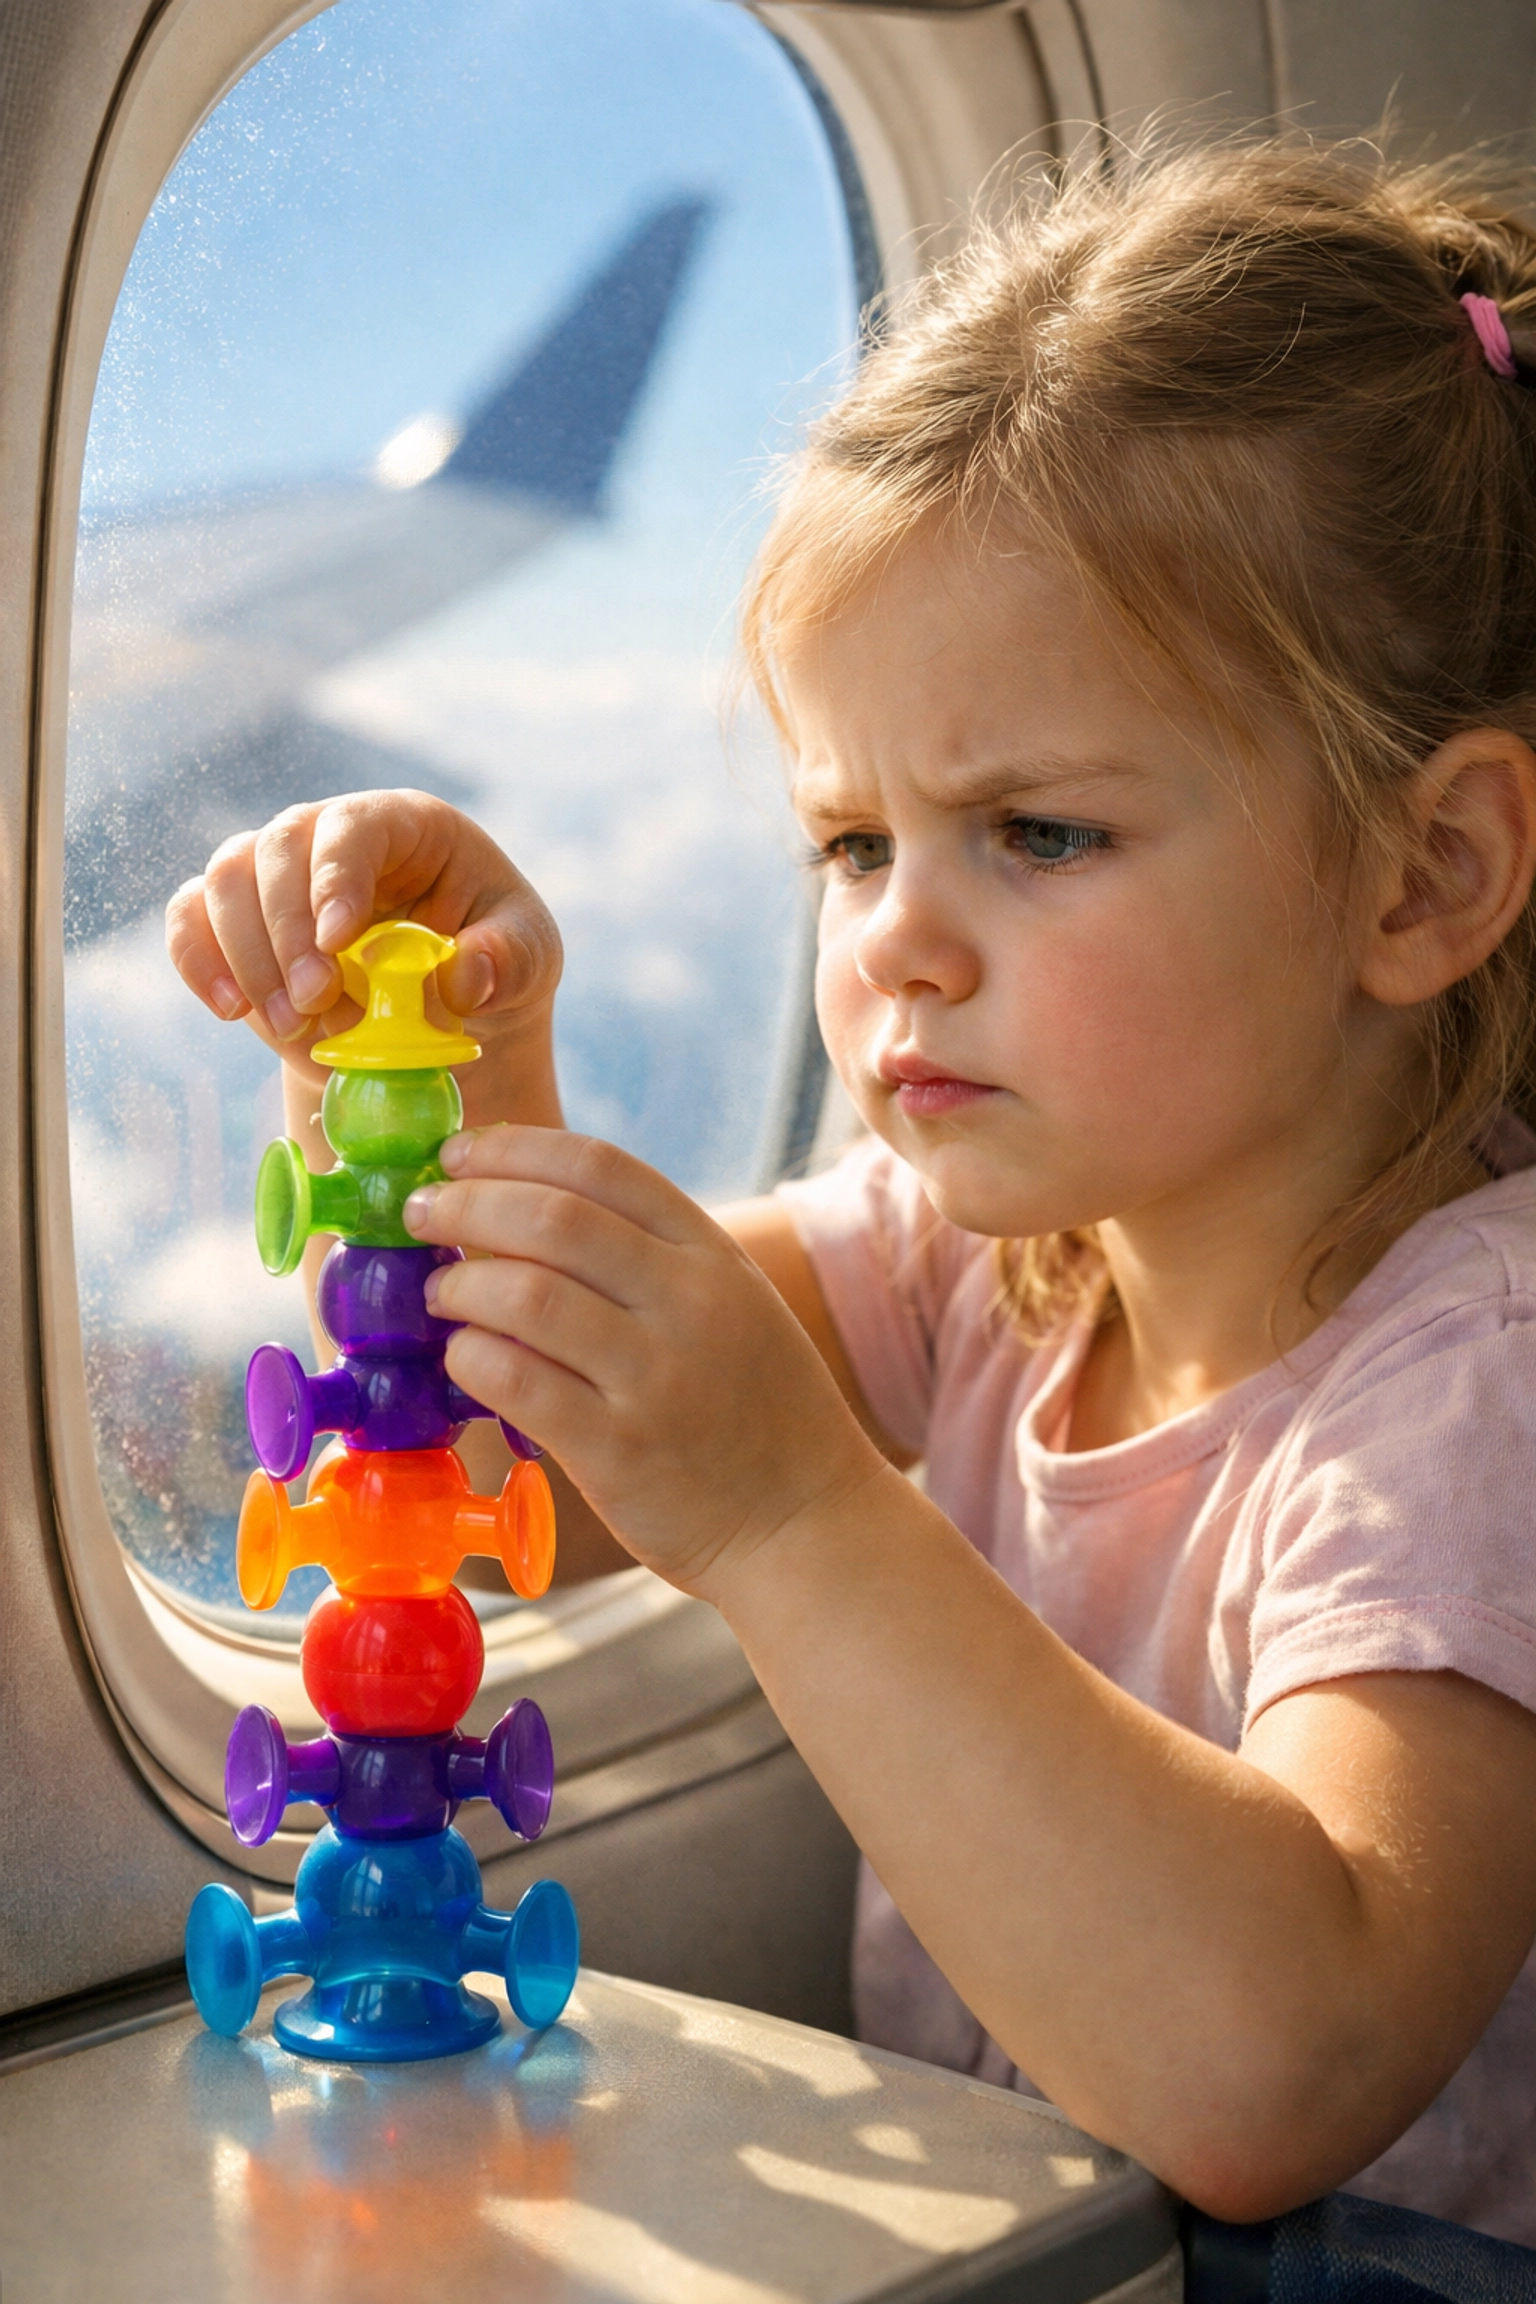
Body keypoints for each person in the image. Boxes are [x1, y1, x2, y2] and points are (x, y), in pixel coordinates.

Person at [167, 140, 1536, 2238]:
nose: (898, 942)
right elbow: (534, 1486)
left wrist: (804, 1516)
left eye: (1039, 835)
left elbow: (1283, 2068)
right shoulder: (1002, 1254)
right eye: (853, 845)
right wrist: (441, 1065)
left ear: (1423, 875)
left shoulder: (1480, 1380)